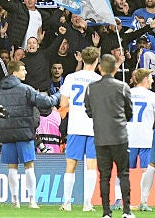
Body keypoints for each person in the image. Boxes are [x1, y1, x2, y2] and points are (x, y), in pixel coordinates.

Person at [0, 59, 61, 208]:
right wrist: (59, 95)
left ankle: (15, 201)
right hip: (24, 133)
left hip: (6, 134)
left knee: (12, 168)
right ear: (15, 72)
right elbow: (46, 102)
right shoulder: (26, 89)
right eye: (23, 69)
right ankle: (32, 200)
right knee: (29, 167)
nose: (26, 72)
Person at [86, 53, 135, 218]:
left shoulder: (91, 88)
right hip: (119, 136)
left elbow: (89, 112)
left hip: (100, 137)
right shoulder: (122, 87)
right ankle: (127, 211)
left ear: (100, 68)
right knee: (123, 174)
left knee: (104, 176)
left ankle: (106, 212)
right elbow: (129, 112)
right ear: (116, 68)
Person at [60, 46, 103, 212]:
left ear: (82, 59)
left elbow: (63, 103)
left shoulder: (71, 77)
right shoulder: (99, 80)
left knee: (71, 165)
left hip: (75, 127)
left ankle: (66, 203)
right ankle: (87, 203)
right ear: (97, 61)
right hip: (93, 128)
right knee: (91, 165)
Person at [128, 68, 155, 211]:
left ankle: (118, 200)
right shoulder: (153, 97)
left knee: (123, 171)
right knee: (146, 170)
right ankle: (143, 201)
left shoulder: (126, 93)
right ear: (146, 79)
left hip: (128, 137)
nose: (152, 80)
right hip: (146, 138)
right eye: (151, 77)